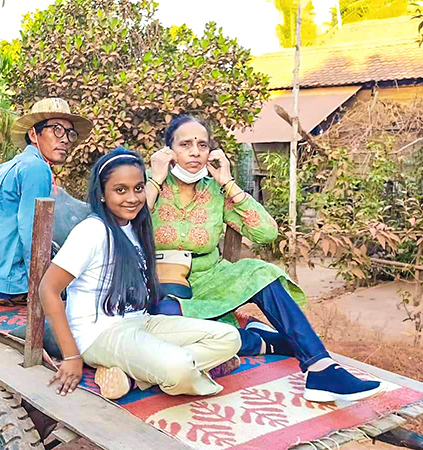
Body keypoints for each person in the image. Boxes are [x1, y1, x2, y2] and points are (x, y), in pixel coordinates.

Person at [144, 114, 381, 402]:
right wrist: (156, 179)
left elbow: (267, 232)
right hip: (161, 284)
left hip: (211, 278)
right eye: (185, 144)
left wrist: (228, 182)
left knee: (260, 272)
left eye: (202, 144)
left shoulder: (215, 192)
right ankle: (261, 340)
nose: (195, 151)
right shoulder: (148, 186)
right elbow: (127, 224)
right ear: (168, 151)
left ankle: (321, 368)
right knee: (163, 322)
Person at [39, 148, 240, 400]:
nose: (132, 198)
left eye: (138, 188)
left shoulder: (135, 228)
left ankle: (134, 377)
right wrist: (71, 356)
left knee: (229, 337)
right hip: (100, 334)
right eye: (120, 190)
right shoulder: (92, 231)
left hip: (140, 322)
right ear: (102, 194)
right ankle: (158, 370)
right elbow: (48, 289)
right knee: (178, 368)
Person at [0, 98, 93, 304]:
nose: (65, 139)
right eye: (56, 129)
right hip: (3, 285)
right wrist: (44, 289)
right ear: (33, 134)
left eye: (69, 133)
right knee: (84, 284)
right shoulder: (37, 169)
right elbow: (33, 234)